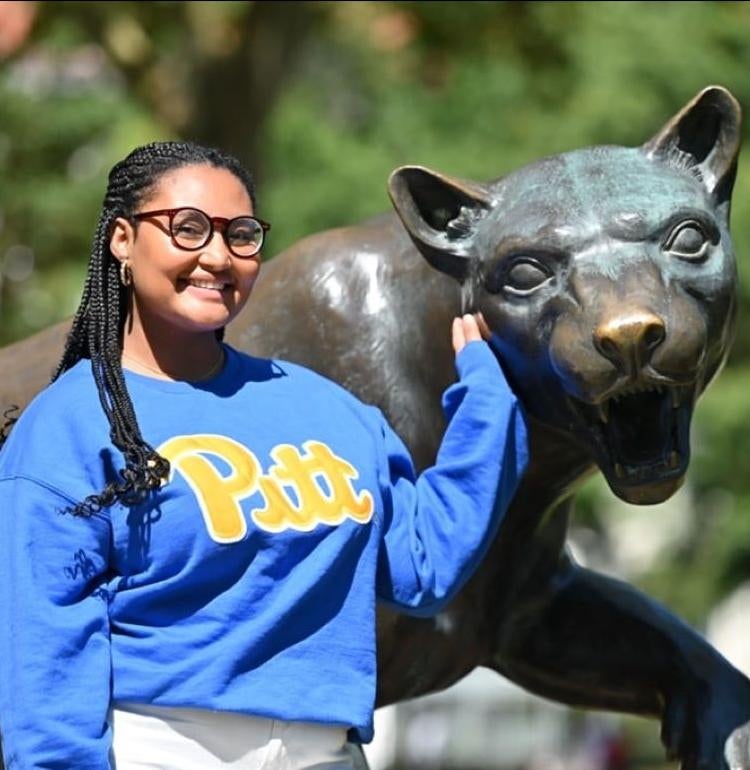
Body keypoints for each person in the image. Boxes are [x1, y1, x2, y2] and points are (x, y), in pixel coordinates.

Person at [0, 141, 528, 769]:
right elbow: (47, 658)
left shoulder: (329, 410)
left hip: (328, 755)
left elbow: (421, 567)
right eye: (188, 229)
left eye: (242, 235)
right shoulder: (71, 424)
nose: (218, 256)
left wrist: (489, 408)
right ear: (122, 240)